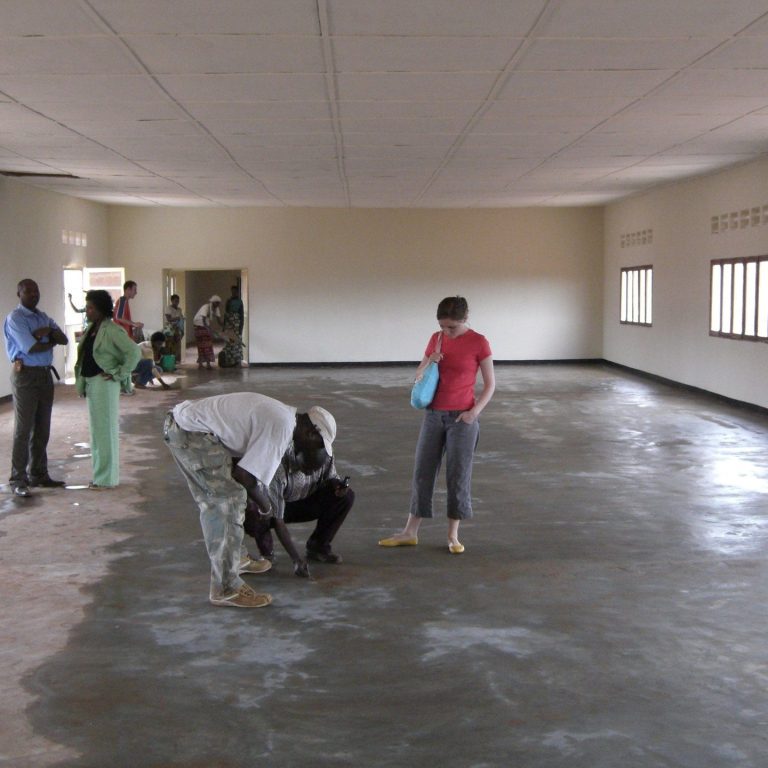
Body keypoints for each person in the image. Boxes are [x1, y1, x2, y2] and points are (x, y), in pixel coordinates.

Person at [163, 392, 335, 608]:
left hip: (189, 428)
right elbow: (246, 477)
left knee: (231, 496)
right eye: (318, 444)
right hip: (192, 433)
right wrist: (266, 507)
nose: (314, 450)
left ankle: (236, 558)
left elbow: (245, 469)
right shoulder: (281, 427)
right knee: (227, 502)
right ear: (311, 432)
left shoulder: (284, 417)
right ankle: (226, 588)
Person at [379, 296, 495, 554]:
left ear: (465, 319)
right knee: (423, 472)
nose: (446, 331)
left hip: (462, 419)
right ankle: (410, 531)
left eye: (452, 327)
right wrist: (430, 359)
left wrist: (473, 413)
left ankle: (453, 535)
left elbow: (490, 385)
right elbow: (419, 373)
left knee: (458, 475)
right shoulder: (437, 338)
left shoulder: (479, 342)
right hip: (433, 415)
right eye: (443, 326)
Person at [243, 433, 353, 568]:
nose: (309, 473)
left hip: (303, 500)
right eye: (306, 468)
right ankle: (267, 554)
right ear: (297, 456)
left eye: (314, 469)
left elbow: (330, 477)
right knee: (257, 514)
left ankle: (318, 546)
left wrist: (336, 485)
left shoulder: (325, 453)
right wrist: (296, 559)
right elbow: (278, 520)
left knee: (345, 498)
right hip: (273, 507)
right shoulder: (277, 469)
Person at [4, 279, 69, 497]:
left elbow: (64, 338)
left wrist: (46, 334)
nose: (33, 294)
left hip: (44, 375)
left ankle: (38, 474)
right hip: (26, 377)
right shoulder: (16, 318)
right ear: (19, 293)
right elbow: (30, 347)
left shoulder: (43, 317)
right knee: (23, 429)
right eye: (28, 291)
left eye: (36, 290)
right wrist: (48, 337)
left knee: (42, 427)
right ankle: (17, 478)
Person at [74, 290, 141, 489]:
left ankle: (107, 479)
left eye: (91, 308)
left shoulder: (111, 329)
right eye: (87, 307)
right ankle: (99, 476)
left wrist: (120, 373)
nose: (87, 311)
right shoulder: (92, 329)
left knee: (106, 432)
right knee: (97, 432)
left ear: (101, 309)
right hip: (92, 383)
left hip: (105, 384)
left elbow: (133, 352)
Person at [192, 294, 221, 369]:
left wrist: (223, 327)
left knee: (207, 344)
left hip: (205, 326)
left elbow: (219, 320)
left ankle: (207, 363)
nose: (217, 305)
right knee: (202, 344)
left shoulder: (216, 308)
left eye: (218, 303)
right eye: (216, 303)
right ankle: (202, 364)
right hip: (198, 325)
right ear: (213, 302)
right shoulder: (206, 307)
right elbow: (203, 319)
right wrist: (208, 329)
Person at [164, 294, 185, 361]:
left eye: (178, 301)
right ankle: (170, 361)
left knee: (177, 345)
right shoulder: (168, 308)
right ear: (172, 301)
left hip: (177, 329)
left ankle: (177, 360)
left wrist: (181, 320)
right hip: (170, 329)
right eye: (175, 301)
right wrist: (177, 318)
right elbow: (169, 319)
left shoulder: (179, 309)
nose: (177, 303)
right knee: (170, 345)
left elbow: (181, 319)